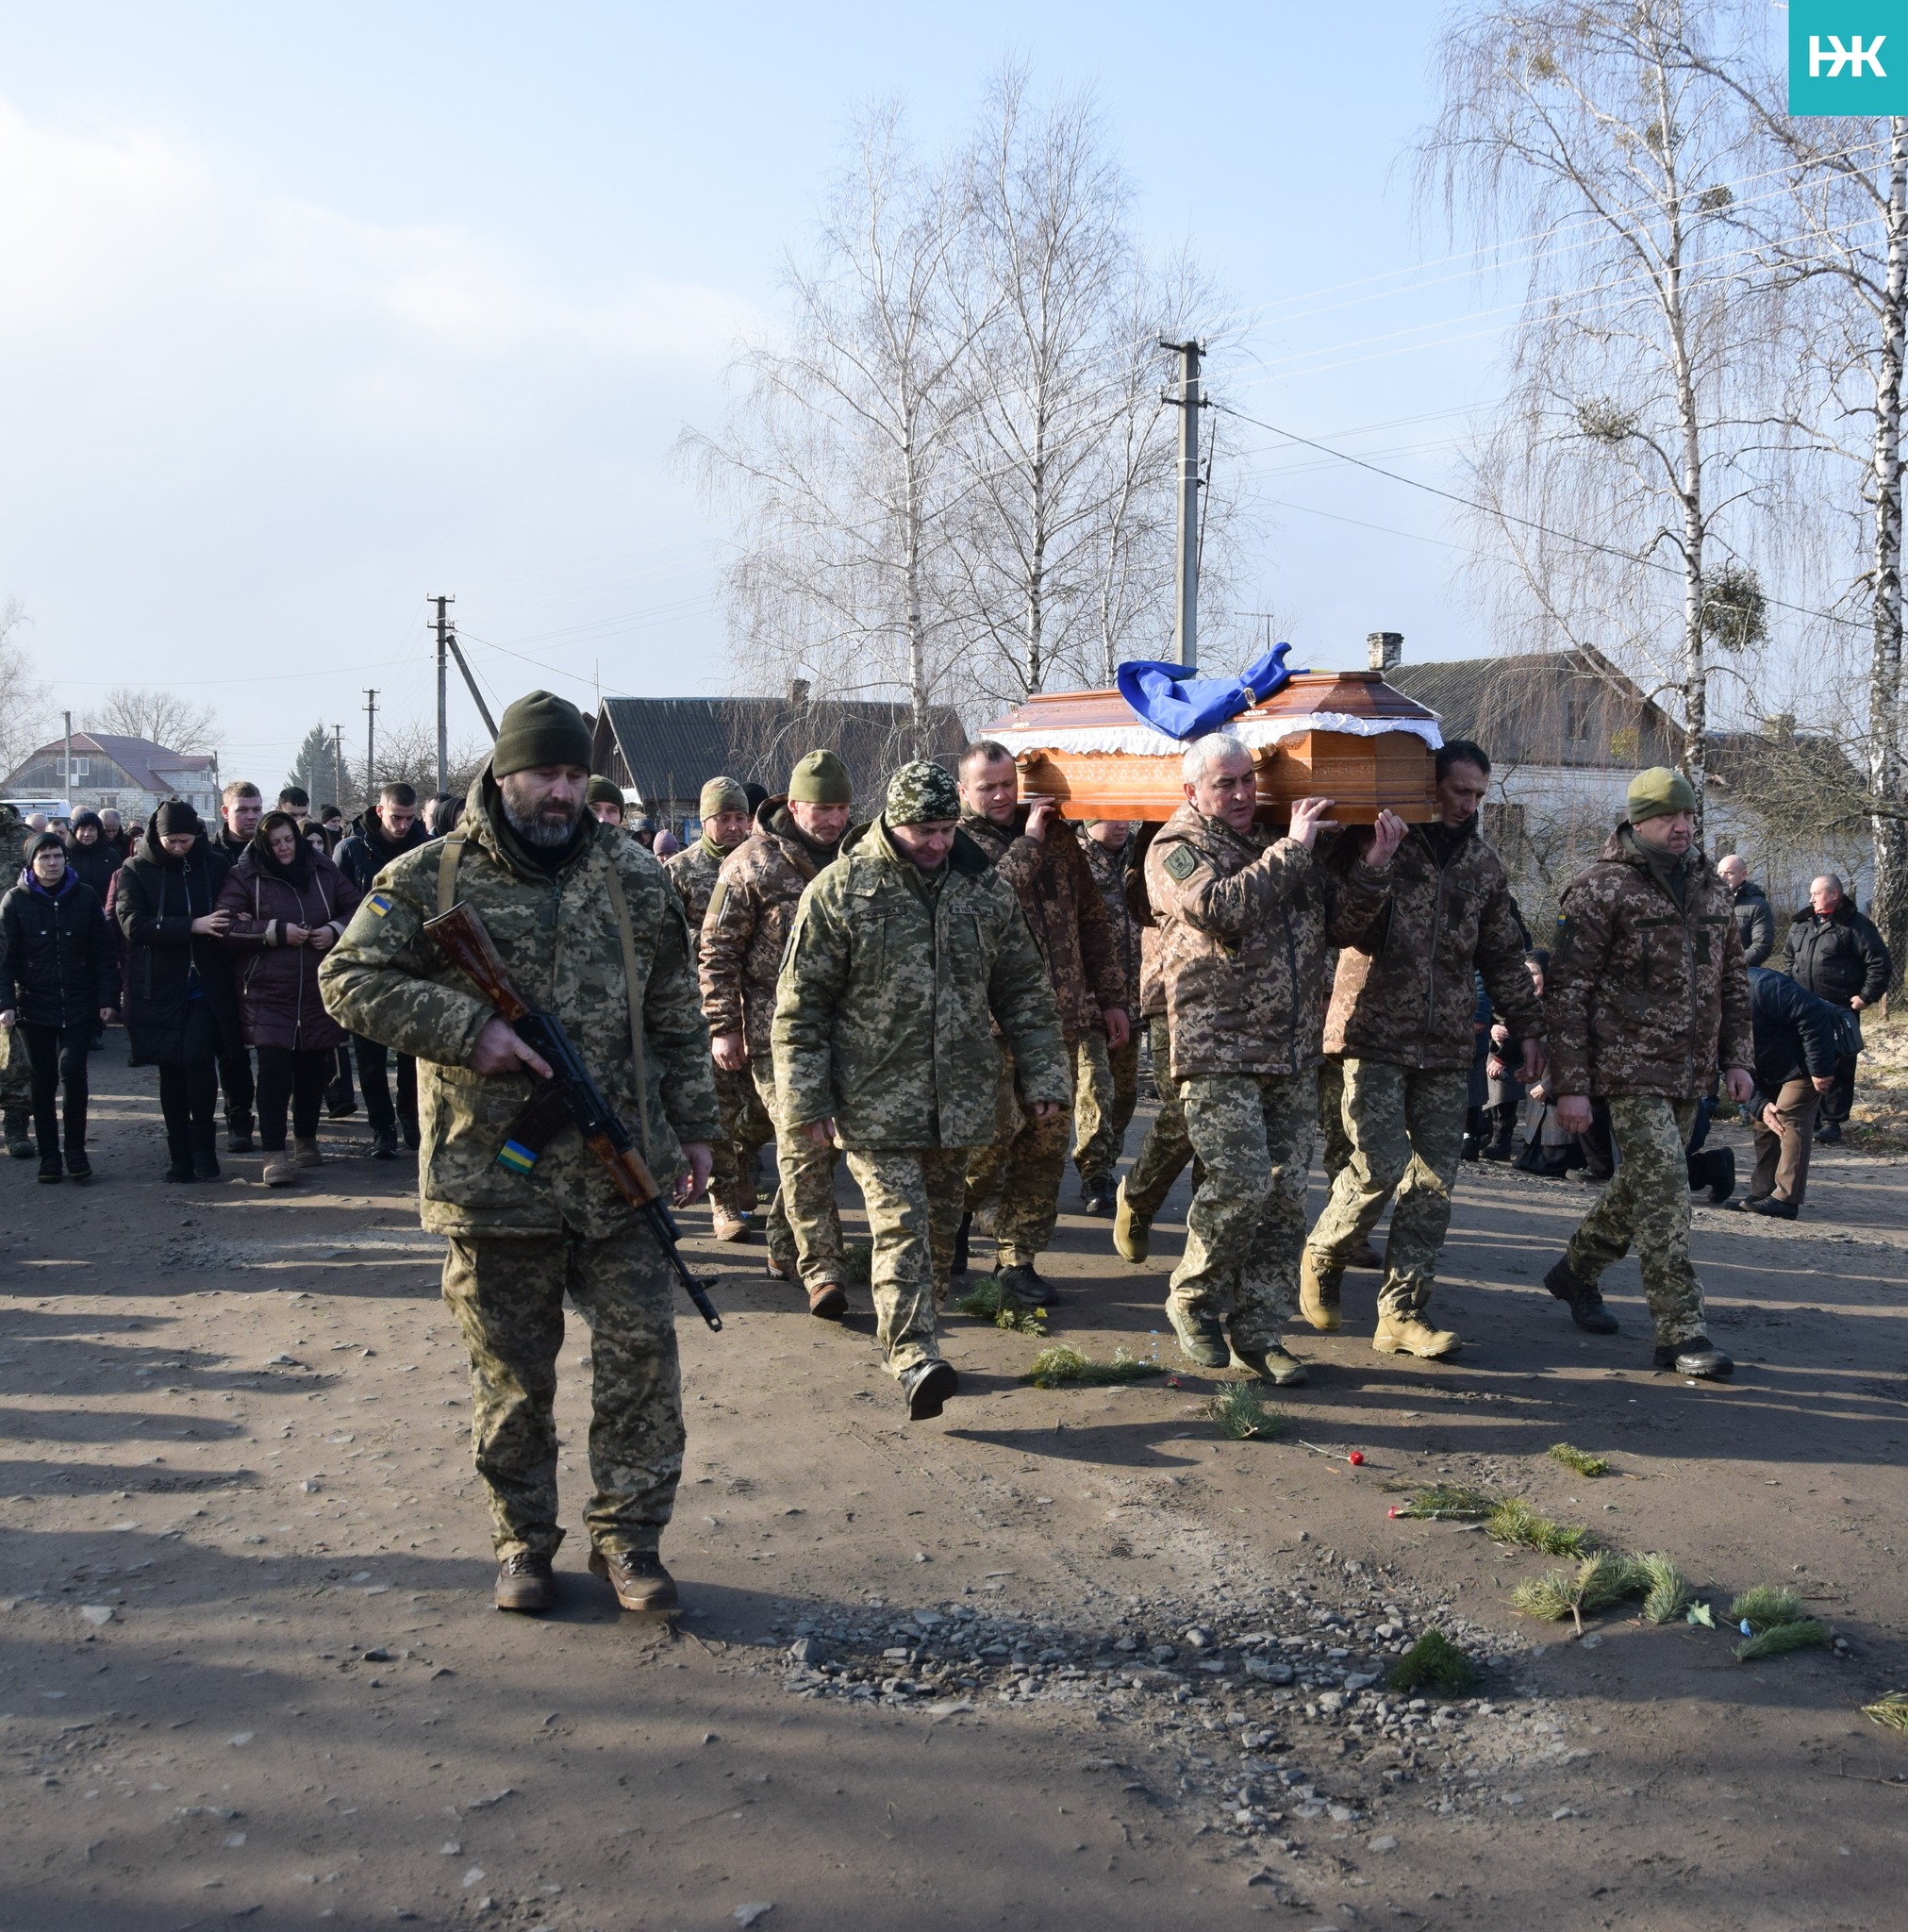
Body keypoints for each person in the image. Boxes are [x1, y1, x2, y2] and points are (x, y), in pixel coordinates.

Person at [320, 690, 718, 1616]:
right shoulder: (430, 877)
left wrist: (697, 1127)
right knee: (511, 1380)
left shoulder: (635, 875)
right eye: (545, 772)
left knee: (642, 1365)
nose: (561, 791)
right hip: (492, 1177)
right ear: (503, 774)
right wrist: (468, 1029)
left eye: (576, 774)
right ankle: (522, 1545)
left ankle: (630, 1544)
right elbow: (347, 977)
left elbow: (674, 1014)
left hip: (623, 1174)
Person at [773, 761, 1066, 1419]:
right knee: (900, 1229)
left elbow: (1023, 989)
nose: (935, 843)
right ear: (890, 821)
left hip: (959, 1099)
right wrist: (807, 1100)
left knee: (936, 1237)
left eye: (943, 828)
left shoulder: (981, 891)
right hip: (874, 1099)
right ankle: (913, 1358)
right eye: (921, 830)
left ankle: (917, 1334)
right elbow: (800, 1009)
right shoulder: (842, 891)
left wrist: (1043, 1073)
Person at [1145, 734, 1402, 1384]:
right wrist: (1293, 846)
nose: (1238, 794)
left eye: (1245, 781)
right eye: (1223, 784)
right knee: (1239, 1182)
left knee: (1287, 1199)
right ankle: (1193, 1296)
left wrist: (1374, 861)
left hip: (1289, 1049)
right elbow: (1217, 909)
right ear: (1191, 792)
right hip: (1216, 1047)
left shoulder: (1277, 842)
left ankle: (1257, 1334)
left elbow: (1338, 927)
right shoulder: (1175, 848)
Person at [1303, 741, 1542, 1360]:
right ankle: (1324, 1250)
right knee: (1379, 1165)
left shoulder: (1482, 865)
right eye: (1459, 791)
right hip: (1370, 1031)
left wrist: (1530, 1030)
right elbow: (1338, 927)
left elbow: (1501, 953)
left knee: (1434, 1183)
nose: (1468, 805)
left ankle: (1401, 1315)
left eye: (1478, 795)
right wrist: (1375, 864)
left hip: (1442, 1041)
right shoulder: (1376, 840)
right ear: (1428, 784)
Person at [1538, 768, 1752, 1380]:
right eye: (1667, 817)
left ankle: (1575, 1272)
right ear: (1637, 822)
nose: (1682, 826)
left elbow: (1733, 982)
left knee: (1643, 1186)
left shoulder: (1711, 889)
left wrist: (1738, 1059)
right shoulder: (1599, 888)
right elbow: (1566, 991)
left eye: (1687, 815)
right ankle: (1681, 1331)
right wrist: (1570, 1083)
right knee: (1665, 1191)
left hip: (1691, 1071)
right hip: (1626, 1069)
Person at [955, 741, 1128, 1309]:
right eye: (988, 787)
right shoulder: (953, 844)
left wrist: (1111, 998)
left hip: (1062, 1020)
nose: (1002, 796)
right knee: (990, 1140)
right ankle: (956, 1210)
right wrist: (1030, 839)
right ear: (965, 792)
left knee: (1044, 1146)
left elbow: (1091, 921)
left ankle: (1017, 1259)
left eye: (1009, 783)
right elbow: (990, 901)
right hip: (992, 1026)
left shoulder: (1059, 840)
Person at [700, 753, 854, 1317]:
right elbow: (718, 950)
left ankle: (784, 1246)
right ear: (794, 806)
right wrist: (724, 1026)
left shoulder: (855, 857)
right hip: (772, 1031)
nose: (833, 819)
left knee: (827, 1146)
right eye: (822, 808)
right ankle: (824, 1272)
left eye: (841, 807)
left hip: (843, 1030)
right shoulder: (751, 862)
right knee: (802, 1142)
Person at [216, 810, 361, 1186]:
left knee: (314, 1069)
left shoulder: (323, 870)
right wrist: (275, 931)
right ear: (263, 844)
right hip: (268, 990)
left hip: (318, 987)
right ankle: (274, 1152)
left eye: (288, 841)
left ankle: (306, 1139)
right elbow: (227, 924)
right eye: (275, 842)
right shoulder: (245, 875)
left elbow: (359, 907)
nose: (283, 848)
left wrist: (333, 930)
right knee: (274, 1072)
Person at [665, 776, 769, 1242]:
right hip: (706, 1007)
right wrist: (713, 941)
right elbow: (664, 944)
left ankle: (744, 1159)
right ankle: (724, 1199)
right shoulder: (681, 872)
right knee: (719, 1107)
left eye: (740, 817)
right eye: (723, 818)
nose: (733, 827)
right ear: (703, 821)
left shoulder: (761, 864)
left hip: (761, 1006)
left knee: (761, 1107)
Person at [115, 801, 242, 1180]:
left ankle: (205, 1149)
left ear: (197, 836)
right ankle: (179, 1155)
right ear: (157, 835)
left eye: (185, 840)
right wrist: (191, 926)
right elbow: (131, 924)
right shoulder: (136, 870)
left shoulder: (215, 864)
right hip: (160, 985)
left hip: (207, 983)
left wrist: (236, 918)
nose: (178, 847)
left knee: (199, 1060)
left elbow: (234, 907)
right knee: (171, 1071)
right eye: (171, 840)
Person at [0, 831, 117, 1180]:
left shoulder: (84, 897)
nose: (52, 864)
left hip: (79, 1003)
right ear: (32, 863)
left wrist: (108, 999)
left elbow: (103, 952)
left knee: (73, 1073)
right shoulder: (14, 901)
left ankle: (76, 1152)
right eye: (44, 858)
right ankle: (49, 1157)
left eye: (57, 857)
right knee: (43, 1079)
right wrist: (6, 1003)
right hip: (33, 1005)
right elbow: (5, 960)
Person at [1110, 848, 1203, 1264]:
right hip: (1176, 993)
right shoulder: (1167, 838)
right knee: (1184, 1114)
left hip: (1253, 1002)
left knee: (1228, 1129)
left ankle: (1211, 1239)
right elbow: (1141, 901)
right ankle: (1139, 1198)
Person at [334, 782, 431, 1158]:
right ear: (380, 811)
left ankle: (411, 1122)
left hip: (412, 962)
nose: (403, 825)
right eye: (396, 817)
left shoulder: (424, 849)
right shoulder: (352, 851)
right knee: (370, 1056)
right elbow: (339, 904)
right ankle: (382, 1129)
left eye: (409, 818)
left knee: (412, 1055)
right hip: (368, 965)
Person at [1784, 873, 1891, 1144]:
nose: (1811, 898)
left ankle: (1832, 1122)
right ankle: (1810, 1116)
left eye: (1816, 893)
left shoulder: (1855, 925)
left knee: (1839, 1065)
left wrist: (1866, 997)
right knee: (1803, 1060)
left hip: (1838, 1008)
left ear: (1834, 895)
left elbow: (1879, 962)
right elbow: (1788, 957)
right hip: (1802, 1007)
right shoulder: (1802, 923)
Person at [1734, 965, 1845, 1219]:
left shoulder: (1763, 986)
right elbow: (1725, 1062)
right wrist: (1760, 1104)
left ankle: (1786, 1198)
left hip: (1807, 1060)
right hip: (1767, 1067)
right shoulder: (1706, 1007)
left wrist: (1820, 1068)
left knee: (1788, 1114)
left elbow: (1813, 1013)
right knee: (1764, 1119)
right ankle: (1762, 1193)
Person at [1072, 819, 1141, 1216]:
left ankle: (1106, 1162)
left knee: (1125, 1092)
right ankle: (1094, 1172)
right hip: (1089, 997)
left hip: (1134, 996)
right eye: (1110, 815)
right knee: (1096, 1087)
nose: (1121, 824)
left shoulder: (1139, 853)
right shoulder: (1075, 858)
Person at [212, 781, 264, 1147]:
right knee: (230, 1047)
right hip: (222, 960)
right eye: (243, 809)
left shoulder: (271, 849)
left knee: (275, 1046)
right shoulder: (208, 855)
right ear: (225, 811)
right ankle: (238, 1116)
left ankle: (283, 1115)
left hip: (267, 957)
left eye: (256, 809)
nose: (251, 816)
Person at [66, 810, 124, 1048]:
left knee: (97, 974)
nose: (87, 834)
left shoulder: (110, 856)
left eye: (92, 829)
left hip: (101, 923)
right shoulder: (66, 855)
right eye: (82, 829)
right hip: (70, 924)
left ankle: (95, 1027)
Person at [1717, 855, 1775, 967]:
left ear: (1743, 874)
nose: (1723, 877)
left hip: (1742, 976)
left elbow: (1762, 946)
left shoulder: (1758, 905)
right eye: (1720, 873)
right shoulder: (1709, 902)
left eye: (1729, 873)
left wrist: (1731, 964)